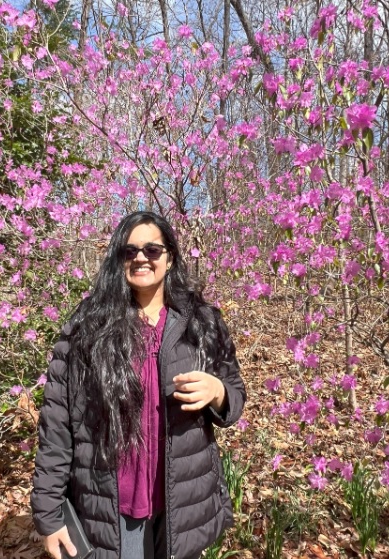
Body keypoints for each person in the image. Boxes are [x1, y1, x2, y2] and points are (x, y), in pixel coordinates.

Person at [31, 211, 246, 559]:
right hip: (113, 503)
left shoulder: (202, 322)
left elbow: (234, 392)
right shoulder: (87, 326)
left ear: (170, 257)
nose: (141, 258)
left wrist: (218, 392)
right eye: (129, 251)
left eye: (152, 250)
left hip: (182, 503)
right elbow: (57, 423)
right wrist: (49, 513)